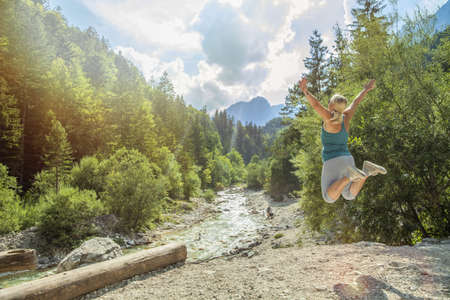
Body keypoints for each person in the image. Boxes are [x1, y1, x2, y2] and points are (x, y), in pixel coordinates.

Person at [298, 77, 387, 203]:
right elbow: (355, 102)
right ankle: (366, 171)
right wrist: (366, 89)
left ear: (331, 105)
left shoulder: (329, 118)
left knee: (328, 197)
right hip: (348, 159)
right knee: (349, 194)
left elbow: (316, 105)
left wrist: (305, 91)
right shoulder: (346, 116)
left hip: (332, 161)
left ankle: (349, 177)